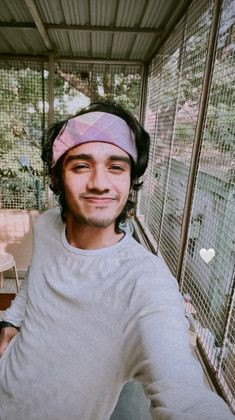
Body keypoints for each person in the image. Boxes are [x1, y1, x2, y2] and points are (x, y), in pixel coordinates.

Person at [0, 102, 233, 420]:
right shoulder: (47, 224)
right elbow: (34, 282)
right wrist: (10, 321)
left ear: (130, 178)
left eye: (116, 167)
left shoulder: (146, 283)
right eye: (81, 166)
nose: (100, 183)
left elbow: (185, 395)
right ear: (56, 177)